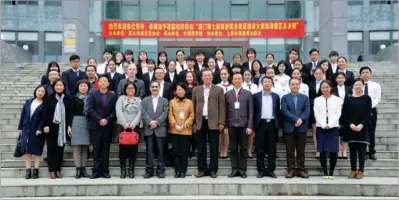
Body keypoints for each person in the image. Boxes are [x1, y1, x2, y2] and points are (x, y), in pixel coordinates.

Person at [192, 69, 225, 178]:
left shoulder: (219, 90)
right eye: (205, 76)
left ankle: (213, 170)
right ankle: (202, 169)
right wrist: (193, 122)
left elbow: (222, 107)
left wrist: (221, 122)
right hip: (200, 121)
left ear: (212, 77)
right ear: (202, 78)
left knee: (214, 147)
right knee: (200, 147)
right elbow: (193, 106)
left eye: (209, 75)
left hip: (214, 122)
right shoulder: (196, 90)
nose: (207, 77)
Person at [86, 75, 117, 179]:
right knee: (96, 149)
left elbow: (114, 111)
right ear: (98, 83)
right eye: (101, 81)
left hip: (107, 126)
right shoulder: (92, 94)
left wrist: (107, 120)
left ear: (108, 83)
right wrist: (99, 119)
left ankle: (105, 171)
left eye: (105, 81)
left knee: (105, 149)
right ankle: (96, 171)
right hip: (95, 126)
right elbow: (90, 109)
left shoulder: (112, 96)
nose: (103, 83)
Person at [341, 78, 372, 179]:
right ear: (353, 86)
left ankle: (361, 170)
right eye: (356, 85)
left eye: (359, 84)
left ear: (362, 86)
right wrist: (350, 124)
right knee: (352, 150)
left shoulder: (367, 98)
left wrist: (361, 125)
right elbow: (344, 113)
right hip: (351, 127)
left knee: (362, 150)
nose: (358, 86)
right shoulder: (349, 98)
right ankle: (353, 170)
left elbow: (368, 114)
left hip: (362, 128)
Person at [225, 73, 253, 178]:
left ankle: (242, 170)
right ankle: (234, 169)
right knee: (232, 148)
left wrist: (250, 125)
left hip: (244, 125)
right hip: (232, 124)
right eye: (235, 78)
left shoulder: (248, 93)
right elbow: (225, 111)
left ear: (242, 80)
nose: (237, 80)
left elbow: (251, 111)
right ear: (232, 80)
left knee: (243, 148)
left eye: (239, 78)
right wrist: (226, 126)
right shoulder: (227, 94)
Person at [281, 78, 310, 178]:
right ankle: (291, 170)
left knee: (301, 151)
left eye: (297, 84)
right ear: (289, 86)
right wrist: (296, 119)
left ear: (299, 85)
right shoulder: (284, 98)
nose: (295, 86)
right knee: (290, 151)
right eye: (293, 84)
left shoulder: (305, 98)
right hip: (289, 127)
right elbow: (284, 111)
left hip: (302, 128)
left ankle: (301, 170)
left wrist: (301, 119)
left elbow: (307, 110)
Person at [314, 80, 342, 179]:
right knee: (322, 150)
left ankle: (331, 172)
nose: (325, 89)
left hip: (333, 127)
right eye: (323, 87)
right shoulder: (317, 100)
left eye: (327, 87)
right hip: (321, 128)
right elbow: (316, 113)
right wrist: (323, 124)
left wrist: (330, 124)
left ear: (330, 88)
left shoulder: (337, 99)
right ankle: (325, 171)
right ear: (320, 89)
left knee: (333, 150)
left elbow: (338, 113)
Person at [18, 85, 48, 179]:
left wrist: (40, 128)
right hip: (26, 128)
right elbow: (23, 115)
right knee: (27, 150)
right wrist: (20, 127)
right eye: (39, 90)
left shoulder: (45, 104)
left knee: (37, 151)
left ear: (45, 94)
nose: (40, 92)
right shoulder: (28, 102)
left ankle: (36, 170)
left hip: (37, 130)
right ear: (35, 91)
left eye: (42, 91)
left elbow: (45, 118)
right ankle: (28, 170)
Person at [43, 79, 70, 179]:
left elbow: (69, 114)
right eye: (57, 85)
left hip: (62, 128)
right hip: (51, 127)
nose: (59, 87)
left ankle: (58, 170)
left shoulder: (67, 99)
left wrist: (69, 126)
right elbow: (45, 113)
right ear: (54, 87)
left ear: (64, 87)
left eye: (61, 85)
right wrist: (45, 125)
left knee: (60, 150)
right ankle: (51, 170)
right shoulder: (49, 98)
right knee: (51, 149)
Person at [253, 77, 280, 178]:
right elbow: (254, 111)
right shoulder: (256, 96)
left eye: (269, 82)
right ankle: (261, 170)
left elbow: (278, 111)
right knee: (260, 148)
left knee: (272, 148)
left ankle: (270, 170)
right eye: (265, 82)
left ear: (272, 84)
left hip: (272, 124)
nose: (267, 83)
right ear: (262, 84)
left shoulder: (276, 96)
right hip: (260, 123)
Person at [141, 81, 169, 178]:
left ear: (159, 88)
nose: (154, 88)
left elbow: (165, 113)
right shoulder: (145, 100)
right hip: (149, 129)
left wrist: (157, 122)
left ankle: (160, 170)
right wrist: (150, 122)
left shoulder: (164, 100)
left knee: (161, 151)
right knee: (149, 151)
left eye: (156, 87)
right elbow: (143, 112)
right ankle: (149, 170)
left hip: (160, 129)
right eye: (152, 87)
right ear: (150, 88)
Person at [115, 81, 142, 179]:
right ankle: (123, 170)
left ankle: (131, 170)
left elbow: (140, 112)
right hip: (123, 127)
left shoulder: (139, 100)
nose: (130, 90)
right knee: (122, 150)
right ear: (125, 90)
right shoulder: (121, 99)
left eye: (132, 88)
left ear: (135, 89)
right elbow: (118, 111)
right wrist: (125, 123)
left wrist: (134, 124)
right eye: (128, 88)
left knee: (133, 150)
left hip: (135, 127)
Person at [168, 83, 195, 178]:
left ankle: (183, 171)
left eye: (181, 89)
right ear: (176, 91)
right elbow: (170, 115)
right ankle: (177, 171)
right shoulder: (172, 102)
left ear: (185, 91)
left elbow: (192, 115)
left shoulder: (189, 102)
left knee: (184, 152)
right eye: (178, 89)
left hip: (185, 131)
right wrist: (175, 125)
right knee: (175, 151)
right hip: (174, 130)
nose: (180, 91)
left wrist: (184, 125)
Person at [67, 80, 91, 179]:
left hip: (88, 122)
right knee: (77, 147)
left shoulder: (91, 98)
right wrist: (69, 125)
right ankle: (78, 169)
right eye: (81, 86)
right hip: (76, 121)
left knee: (85, 147)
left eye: (85, 86)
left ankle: (83, 169)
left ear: (88, 87)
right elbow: (69, 113)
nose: (83, 87)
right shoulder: (73, 98)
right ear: (78, 87)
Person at [360, 66, 381, 160]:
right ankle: (363, 153)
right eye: (363, 72)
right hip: (360, 111)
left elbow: (377, 98)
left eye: (367, 72)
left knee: (371, 132)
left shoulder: (376, 85)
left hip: (372, 110)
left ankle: (371, 152)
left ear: (370, 74)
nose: (365, 74)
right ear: (360, 75)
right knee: (362, 132)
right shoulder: (358, 85)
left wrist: (369, 107)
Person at [332, 72, 352, 159]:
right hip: (335, 112)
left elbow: (351, 99)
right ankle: (338, 151)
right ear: (336, 79)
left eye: (342, 78)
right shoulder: (332, 89)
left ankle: (344, 151)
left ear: (345, 79)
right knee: (337, 132)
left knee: (346, 132)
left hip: (347, 112)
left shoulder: (349, 89)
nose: (340, 79)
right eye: (338, 78)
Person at [216, 68, 233, 159]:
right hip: (219, 110)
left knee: (226, 131)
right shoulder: (216, 86)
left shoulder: (232, 86)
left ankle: (225, 150)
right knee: (220, 130)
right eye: (222, 74)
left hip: (230, 110)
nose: (223, 76)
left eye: (225, 74)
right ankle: (220, 150)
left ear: (228, 75)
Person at [309, 68, 324, 159]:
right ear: (314, 75)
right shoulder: (310, 84)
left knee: (324, 130)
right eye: (316, 74)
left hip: (325, 109)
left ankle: (325, 149)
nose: (318, 75)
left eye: (320, 73)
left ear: (323, 74)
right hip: (313, 109)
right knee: (315, 131)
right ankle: (317, 150)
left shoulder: (327, 84)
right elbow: (308, 97)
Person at [184, 71, 199, 158]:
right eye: (188, 77)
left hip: (195, 112)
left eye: (191, 77)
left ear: (194, 77)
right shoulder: (184, 87)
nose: (189, 78)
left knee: (194, 133)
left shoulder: (197, 87)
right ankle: (187, 149)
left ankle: (194, 149)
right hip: (185, 113)